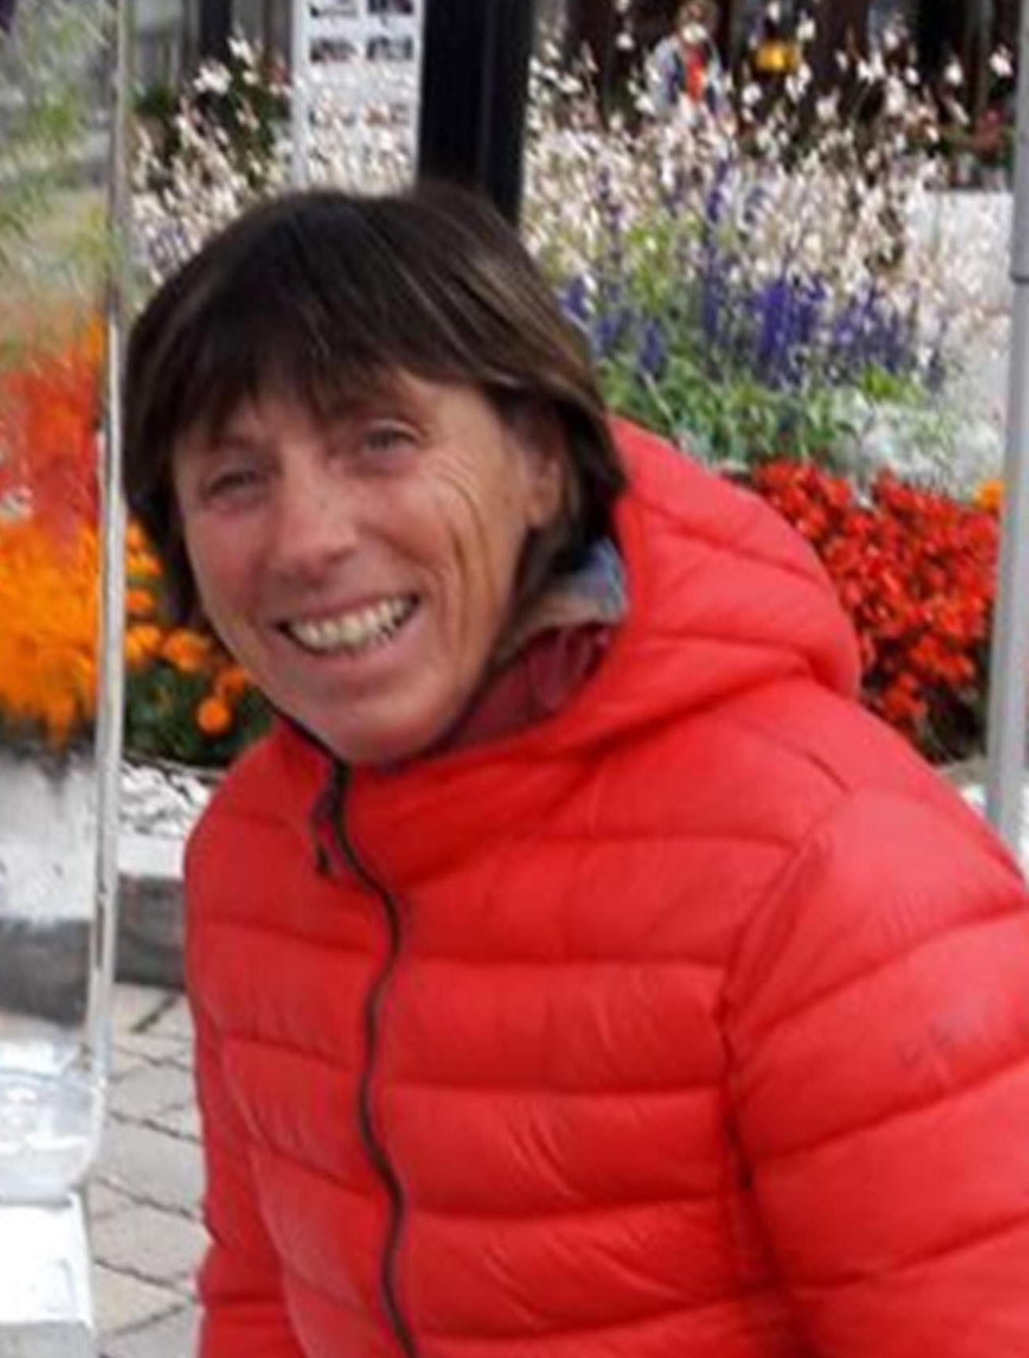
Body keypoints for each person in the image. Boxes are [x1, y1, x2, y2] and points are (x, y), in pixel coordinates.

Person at [121, 185, 1029, 1357]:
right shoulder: (254, 851)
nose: (306, 538)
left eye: (380, 439)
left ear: (541, 461)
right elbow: (259, 1299)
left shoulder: (831, 869)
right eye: (233, 479)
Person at [646, 0, 726, 117]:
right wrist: (677, 112)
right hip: (672, 122)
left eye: (708, 26)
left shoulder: (710, 52)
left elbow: (718, 97)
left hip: (704, 121)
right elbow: (658, 101)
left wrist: (720, 113)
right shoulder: (664, 55)